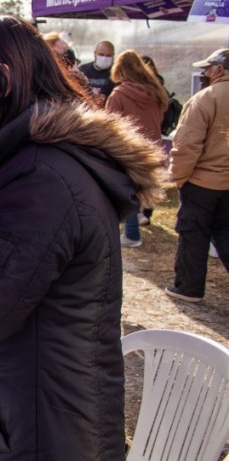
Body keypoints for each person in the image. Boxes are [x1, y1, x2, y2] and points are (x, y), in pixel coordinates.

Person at [0, 16, 164, 459]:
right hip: (24, 411)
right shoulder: (28, 162)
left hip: (44, 430)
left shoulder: (41, 178)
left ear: (3, 80)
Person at [166, 48, 229, 303]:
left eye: (207, 68)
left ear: (219, 70)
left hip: (202, 181)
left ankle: (188, 288)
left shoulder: (205, 98)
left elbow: (187, 145)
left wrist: (178, 176)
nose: (204, 73)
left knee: (193, 232)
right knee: (225, 233)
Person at [106, 50, 168, 248]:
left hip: (128, 149)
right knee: (141, 189)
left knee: (127, 191)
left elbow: (110, 126)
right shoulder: (156, 92)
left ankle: (132, 234)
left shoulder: (118, 95)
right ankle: (141, 215)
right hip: (152, 146)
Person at [79, 40, 116, 105]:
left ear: (113, 55)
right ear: (95, 54)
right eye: (101, 54)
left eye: (108, 55)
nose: (104, 58)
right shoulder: (83, 70)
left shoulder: (117, 72)